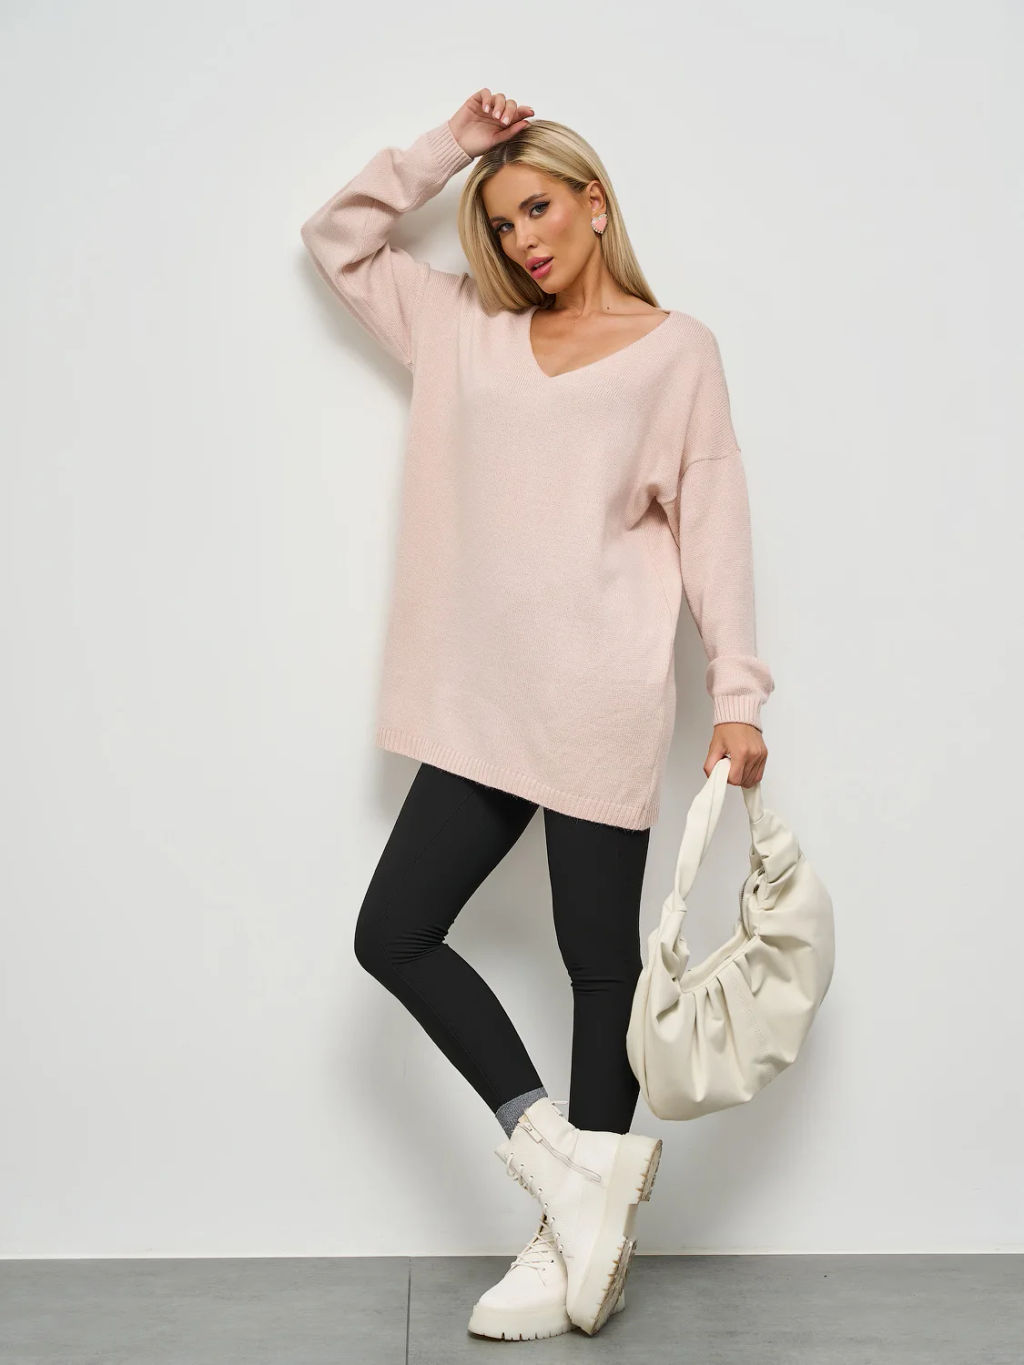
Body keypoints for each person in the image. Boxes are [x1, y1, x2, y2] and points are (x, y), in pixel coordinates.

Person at [299, 86, 774, 1340]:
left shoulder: (677, 353)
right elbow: (336, 239)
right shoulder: (460, 326)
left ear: (593, 202)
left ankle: (576, 1246)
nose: (521, 242)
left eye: (537, 210)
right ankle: (564, 1166)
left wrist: (736, 692)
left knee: (598, 965)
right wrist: (446, 150)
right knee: (394, 932)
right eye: (501, 225)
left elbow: (713, 524)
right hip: (478, 699)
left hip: (597, 693)